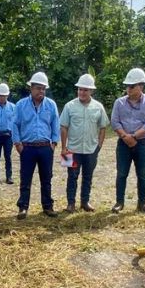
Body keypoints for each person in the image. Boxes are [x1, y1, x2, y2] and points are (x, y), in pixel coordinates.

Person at [110, 68, 145, 214]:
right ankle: (119, 202)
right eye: (127, 86)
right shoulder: (119, 103)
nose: (128, 89)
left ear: (141, 86)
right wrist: (126, 137)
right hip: (123, 143)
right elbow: (114, 122)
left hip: (142, 143)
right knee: (121, 173)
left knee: (142, 175)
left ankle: (142, 204)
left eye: (132, 86)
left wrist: (134, 137)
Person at [12, 71, 60, 219]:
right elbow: (14, 125)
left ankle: (47, 206)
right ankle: (23, 207)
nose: (41, 91)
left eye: (43, 88)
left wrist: (54, 144)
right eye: (38, 88)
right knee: (25, 178)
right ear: (31, 88)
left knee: (46, 178)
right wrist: (18, 144)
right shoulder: (20, 105)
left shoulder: (51, 105)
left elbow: (55, 124)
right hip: (27, 148)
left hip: (45, 147)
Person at [59, 73, 109, 213]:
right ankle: (70, 204)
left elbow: (103, 127)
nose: (82, 92)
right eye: (80, 89)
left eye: (85, 90)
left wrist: (98, 146)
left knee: (88, 176)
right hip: (71, 150)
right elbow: (63, 127)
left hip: (91, 150)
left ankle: (85, 202)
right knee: (72, 177)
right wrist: (64, 148)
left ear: (91, 91)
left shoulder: (98, 107)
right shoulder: (69, 106)